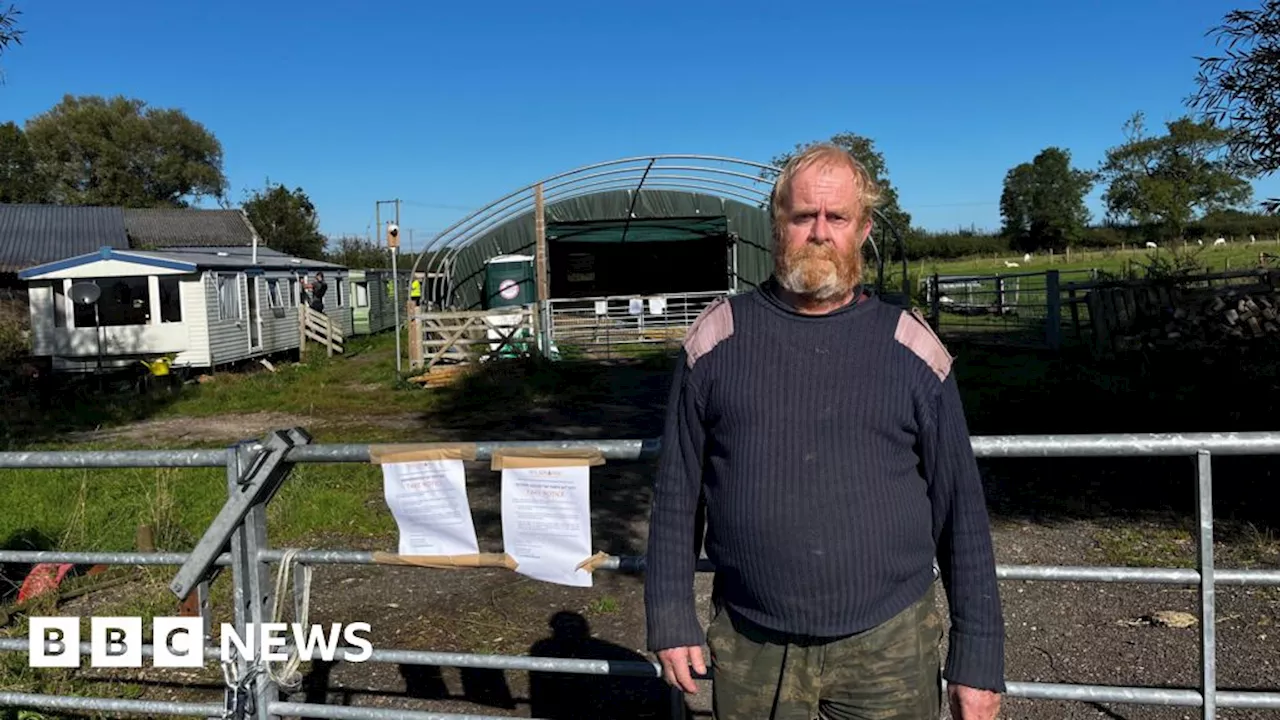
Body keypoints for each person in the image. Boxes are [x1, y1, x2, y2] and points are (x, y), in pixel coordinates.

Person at [644, 143, 1005, 720]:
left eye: (836, 217)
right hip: (751, 642)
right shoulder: (716, 340)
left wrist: (979, 657)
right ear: (775, 225)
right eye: (801, 216)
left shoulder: (910, 348)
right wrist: (668, 615)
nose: (818, 232)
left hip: (889, 645)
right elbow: (676, 494)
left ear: (862, 230)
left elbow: (961, 509)